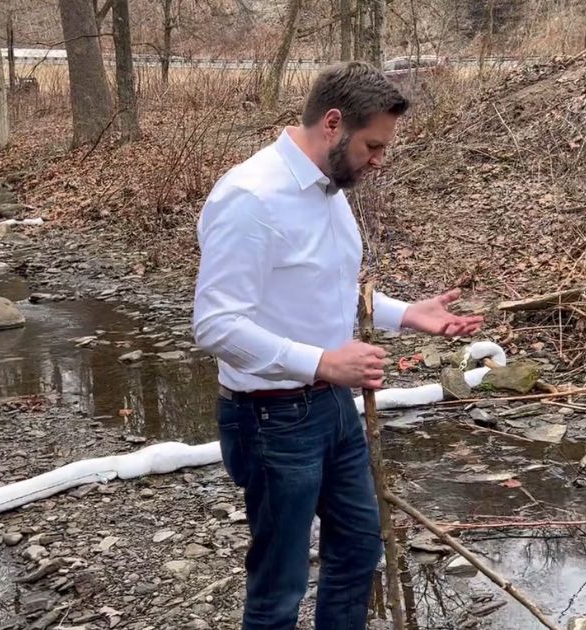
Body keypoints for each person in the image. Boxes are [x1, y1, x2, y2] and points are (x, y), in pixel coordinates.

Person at [191, 61, 484, 630]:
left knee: (357, 552)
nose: (380, 159)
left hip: (333, 408)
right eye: (373, 145)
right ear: (333, 124)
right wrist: (324, 360)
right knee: (279, 588)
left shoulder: (331, 187)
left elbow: (321, 291)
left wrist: (406, 315)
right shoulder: (250, 197)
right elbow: (216, 325)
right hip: (270, 419)